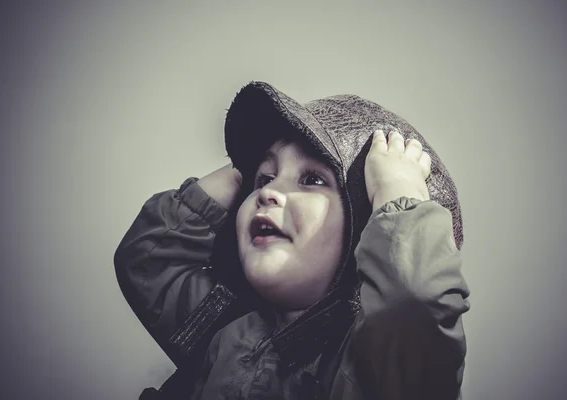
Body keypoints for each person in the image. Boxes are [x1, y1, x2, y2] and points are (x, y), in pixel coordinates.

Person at [114, 81, 470, 399]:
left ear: (366, 230)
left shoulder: (369, 368)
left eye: (312, 179)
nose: (268, 192)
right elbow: (149, 256)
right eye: (264, 177)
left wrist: (397, 189)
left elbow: (412, 303)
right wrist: (248, 164)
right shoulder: (223, 329)